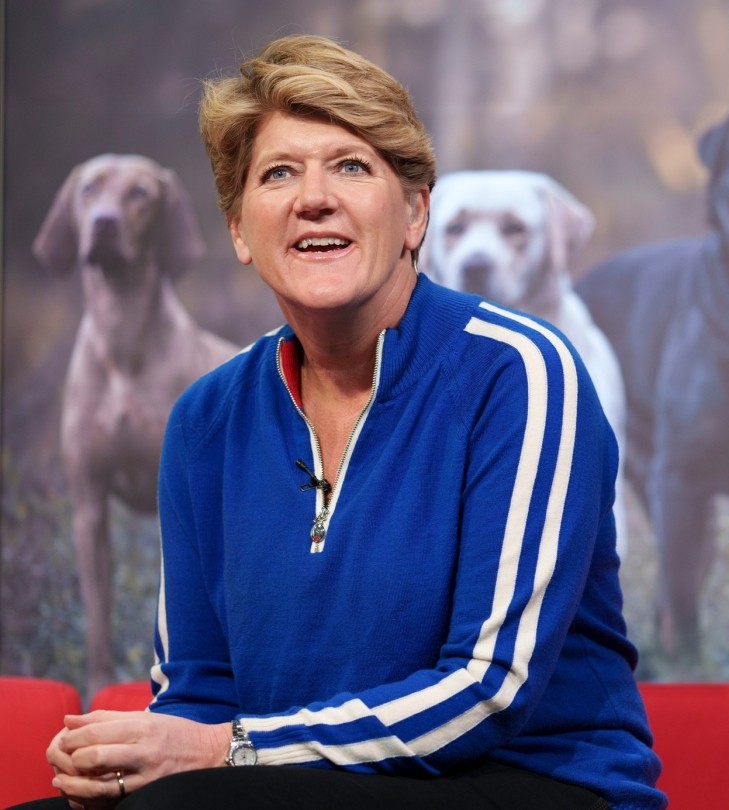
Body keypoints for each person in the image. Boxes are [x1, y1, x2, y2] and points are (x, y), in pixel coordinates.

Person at [21, 34, 664, 810]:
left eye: (351, 167)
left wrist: (229, 750)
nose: (313, 197)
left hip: (529, 782)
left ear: (416, 215)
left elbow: (487, 692)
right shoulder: (205, 418)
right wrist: (134, 758)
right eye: (279, 173)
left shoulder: (520, 372)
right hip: (286, 782)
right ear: (238, 233)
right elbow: (198, 689)